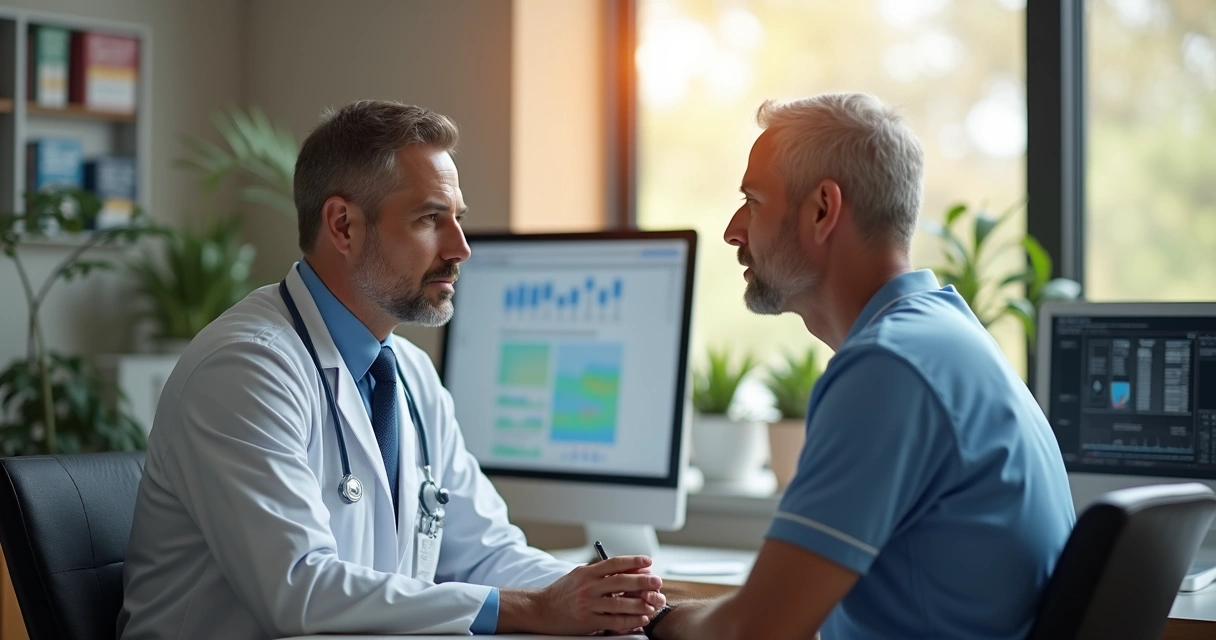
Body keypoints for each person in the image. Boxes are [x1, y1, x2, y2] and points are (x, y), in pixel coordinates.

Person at [118, 101, 664, 639]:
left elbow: (486, 553)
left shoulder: (409, 374)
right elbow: (299, 589)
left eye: (458, 219)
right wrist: (534, 610)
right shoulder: (246, 369)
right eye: (430, 219)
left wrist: (613, 602)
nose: (461, 248)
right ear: (343, 226)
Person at [642, 93, 1076, 640]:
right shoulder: (945, 340)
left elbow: (758, 632)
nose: (734, 230)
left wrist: (655, 619)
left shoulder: (888, 369)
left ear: (823, 210)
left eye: (753, 201)